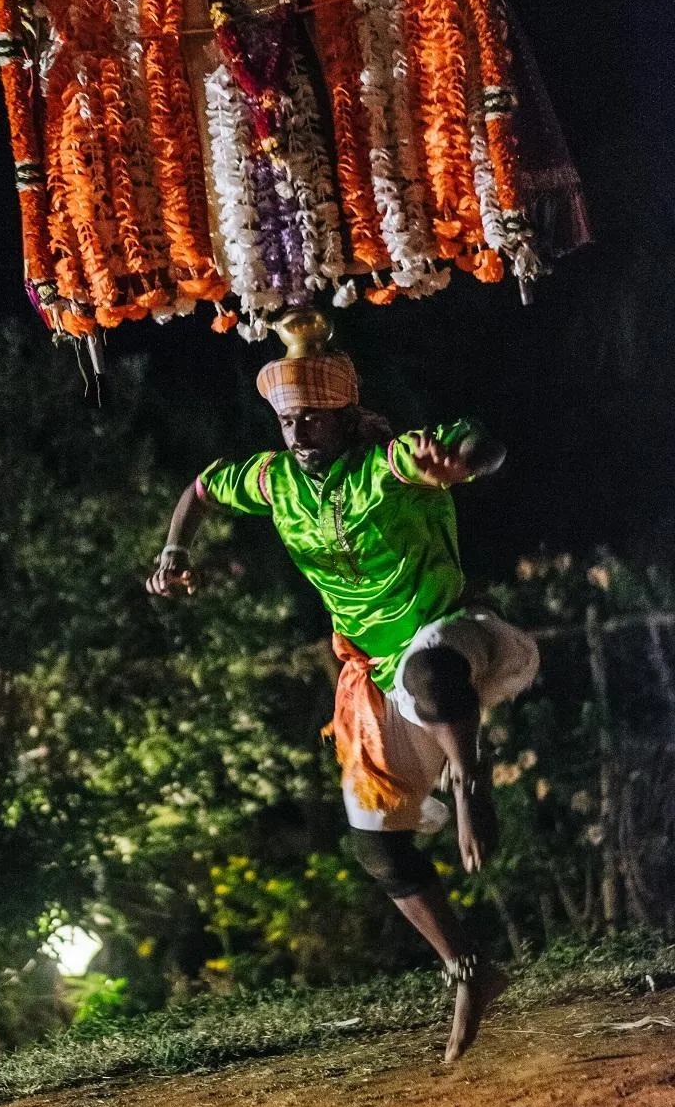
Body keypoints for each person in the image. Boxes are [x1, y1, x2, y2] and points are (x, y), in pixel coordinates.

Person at [146, 343, 538, 1061]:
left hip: (453, 637)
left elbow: (476, 440)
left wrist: (465, 461)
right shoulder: (273, 480)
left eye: (313, 420)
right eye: (288, 422)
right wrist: (175, 551)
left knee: (429, 672)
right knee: (378, 848)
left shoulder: (388, 463)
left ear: (347, 417)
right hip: (375, 673)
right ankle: (469, 969)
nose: (298, 434)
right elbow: (201, 489)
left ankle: (470, 781)